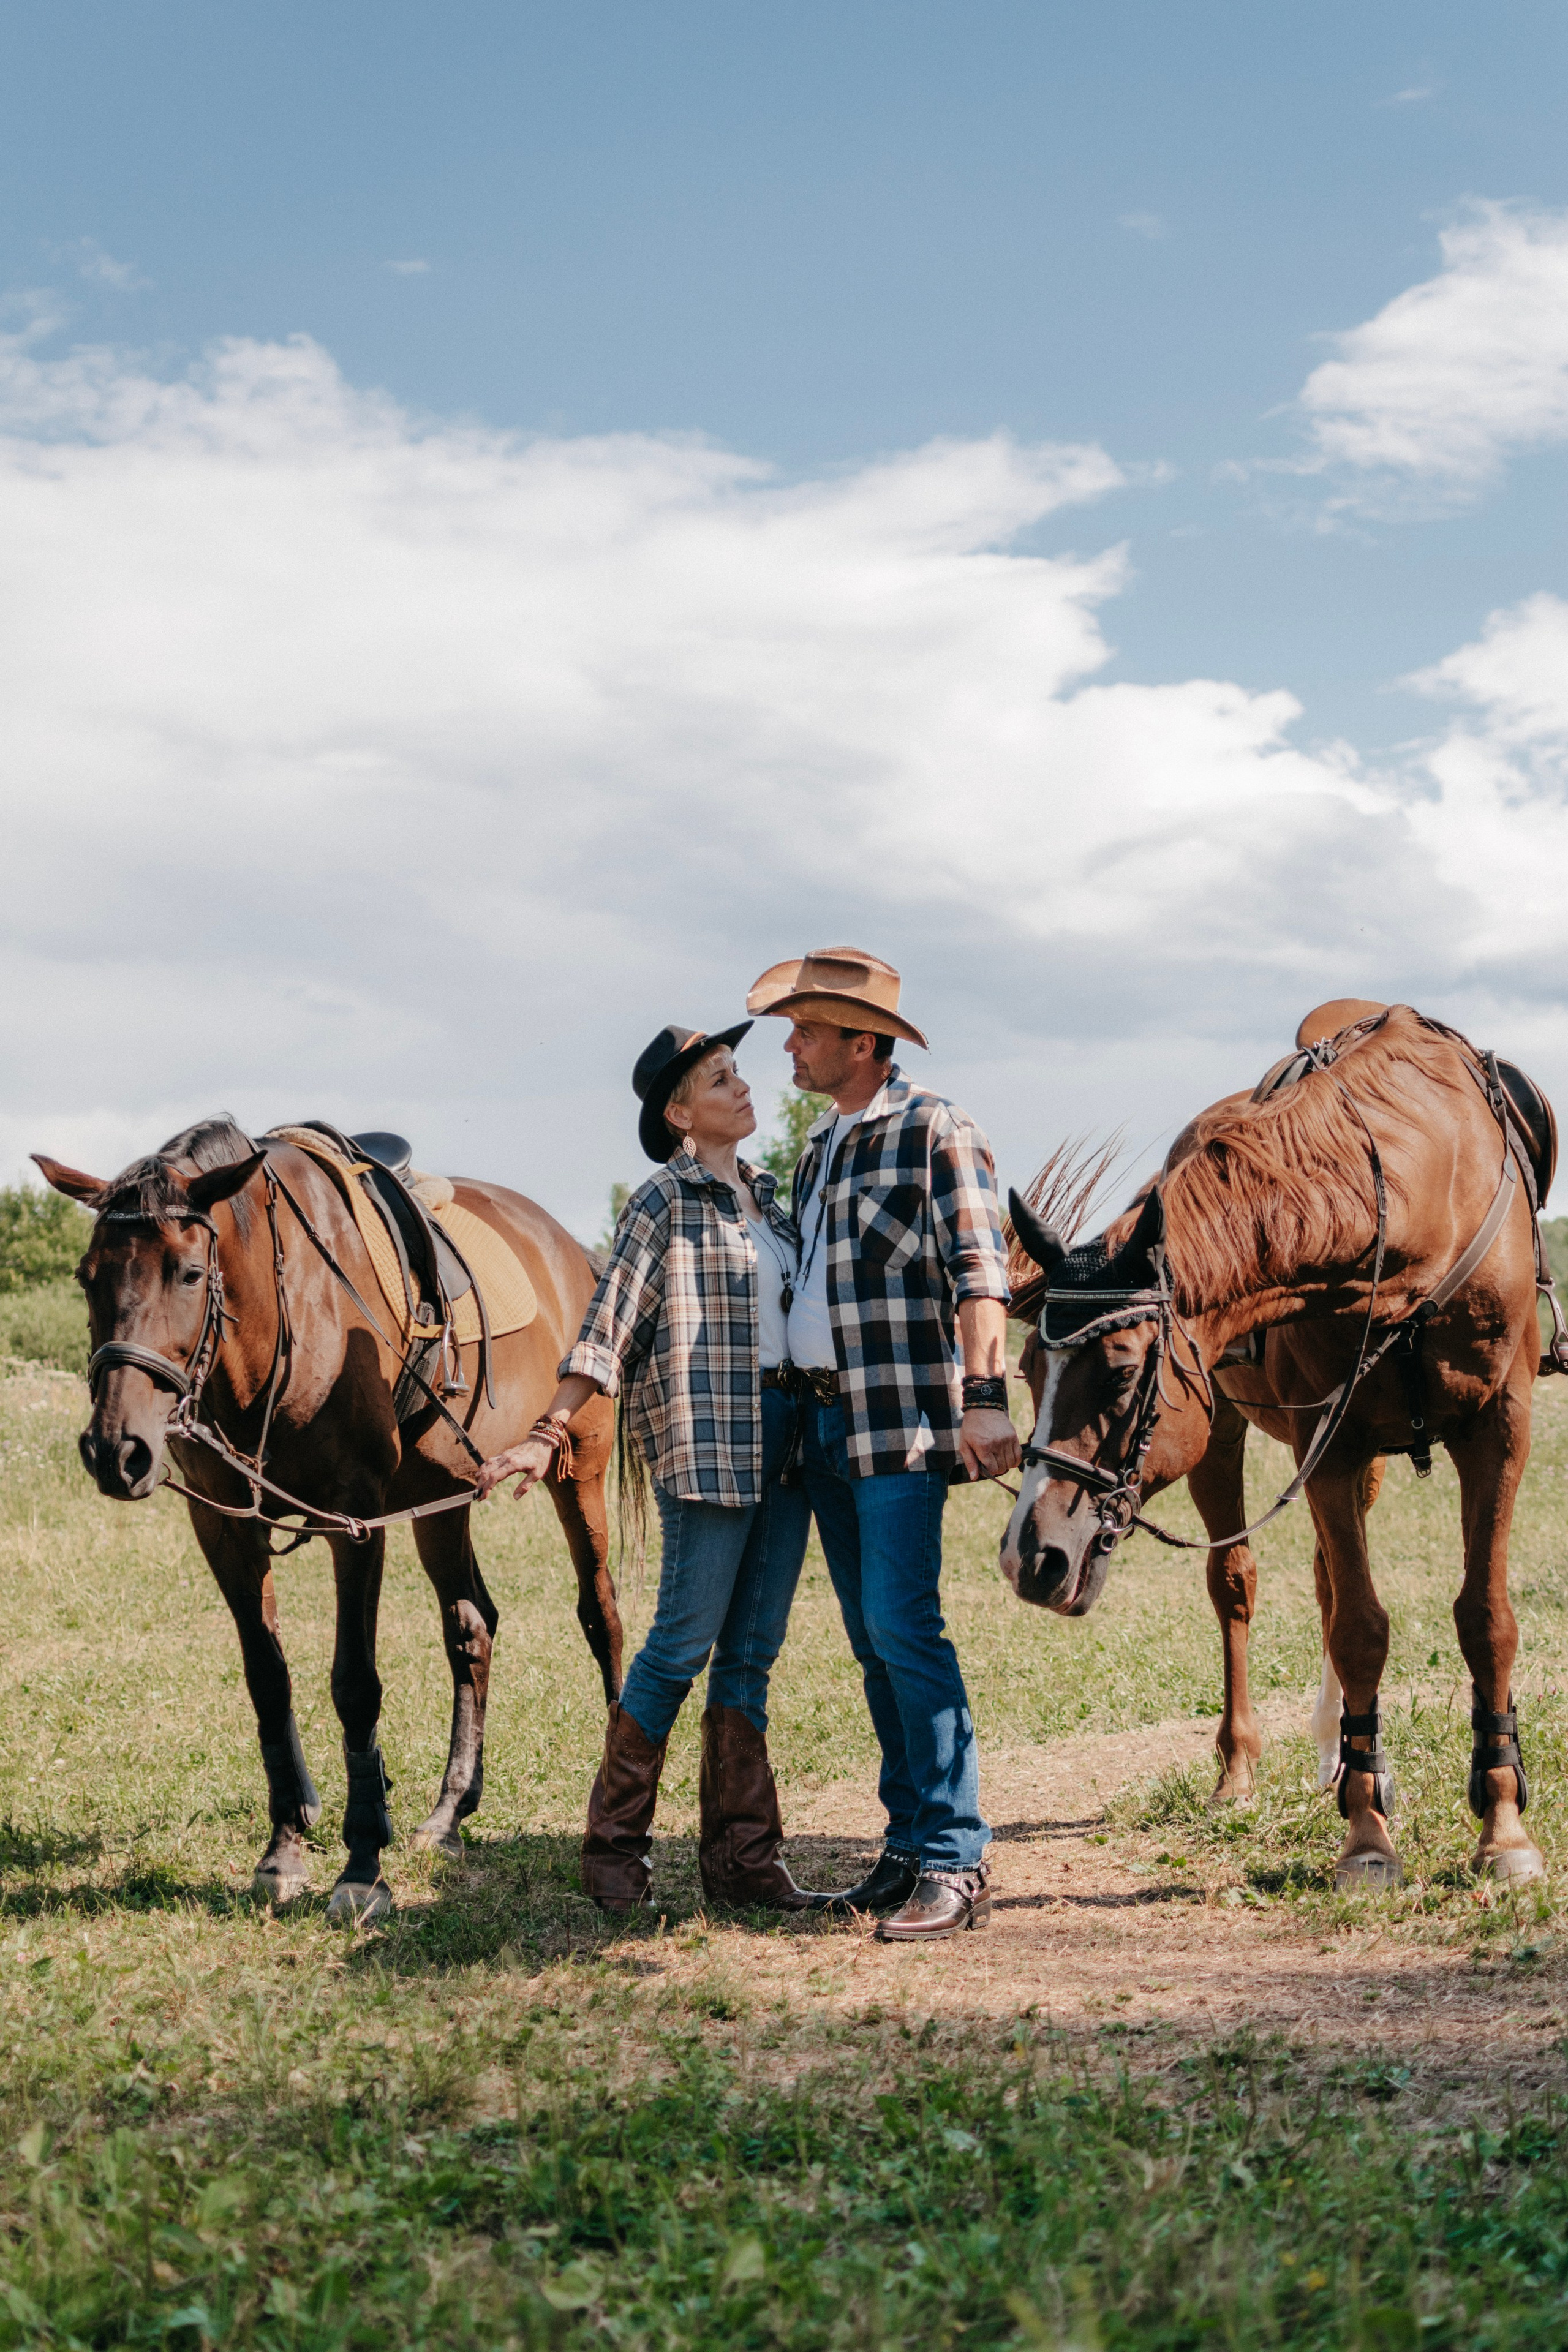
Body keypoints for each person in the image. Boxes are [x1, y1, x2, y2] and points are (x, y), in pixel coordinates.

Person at [475, 1021, 814, 1915]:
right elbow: (607, 1331)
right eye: (719, 1080)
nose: (743, 1087)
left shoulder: (774, 1201)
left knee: (751, 1653)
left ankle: (743, 1859)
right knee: (680, 1645)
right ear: (679, 1114)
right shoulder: (662, 1202)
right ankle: (613, 1850)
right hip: (708, 1442)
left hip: (790, 1439)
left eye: (738, 1072)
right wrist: (548, 1432)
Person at [745, 946, 1019, 1941]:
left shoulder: (938, 1129)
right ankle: (907, 1844)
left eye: (806, 1032)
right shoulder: (820, 1145)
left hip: (900, 1420)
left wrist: (985, 1399)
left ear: (863, 1043)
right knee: (871, 1641)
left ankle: (955, 1857)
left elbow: (981, 1274)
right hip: (823, 1424)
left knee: (905, 1627)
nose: (790, 1047)